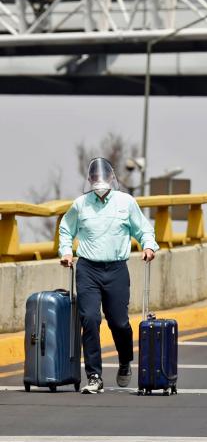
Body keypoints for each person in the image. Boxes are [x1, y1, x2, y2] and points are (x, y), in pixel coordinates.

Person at [58, 158, 158, 394]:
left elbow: (143, 228)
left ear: (113, 178)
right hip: (88, 269)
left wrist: (149, 246)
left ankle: (125, 361)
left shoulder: (126, 202)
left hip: (116, 269)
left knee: (119, 322)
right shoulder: (80, 204)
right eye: (94, 178)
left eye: (102, 177)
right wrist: (65, 252)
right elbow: (66, 228)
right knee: (90, 319)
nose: (99, 182)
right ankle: (94, 376)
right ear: (89, 180)